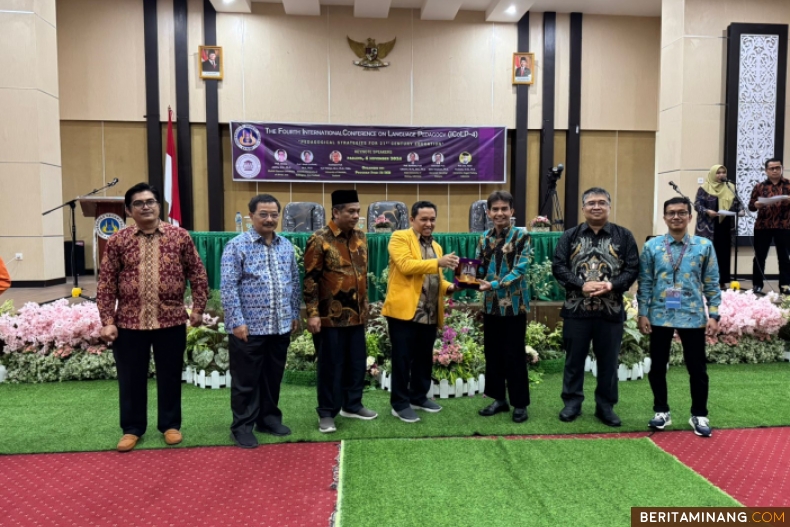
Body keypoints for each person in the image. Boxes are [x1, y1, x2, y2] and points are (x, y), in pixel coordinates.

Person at [97, 182, 208, 452]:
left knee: (170, 375)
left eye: (151, 202)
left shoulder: (179, 236)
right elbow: (106, 282)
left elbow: (197, 272)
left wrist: (198, 308)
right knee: (131, 377)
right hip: (129, 322)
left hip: (170, 320)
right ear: (128, 210)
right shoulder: (118, 240)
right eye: (138, 203)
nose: (146, 206)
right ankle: (132, 429)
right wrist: (107, 321)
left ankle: (170, 425)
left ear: (160, 206)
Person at [551, 187, 639, 427]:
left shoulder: (624, 236)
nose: (596, 207)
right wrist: (581, 285)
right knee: (574, 359)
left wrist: (611, 285)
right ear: (583, 208)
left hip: (609, 310)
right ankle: (572, 403)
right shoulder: (570, 235)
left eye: (601, 202)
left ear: (609, 206)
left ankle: (605, 406)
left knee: (608, 361)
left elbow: (632, 269)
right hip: (576, 309)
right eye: (591, 203)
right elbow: (558, 266)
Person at [220, 194, 301, 449]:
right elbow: (228, 286)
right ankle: (242, 426)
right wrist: (236, 321)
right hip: (249, 327)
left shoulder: (286, 245)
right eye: (263, 214)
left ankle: (268, 419)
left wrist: (294, 314)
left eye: (274, 214)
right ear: (251, 216)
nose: (269, 219)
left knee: (272, 377)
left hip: (280, 325)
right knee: (246, 380)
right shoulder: (237, 245)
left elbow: (294, 281)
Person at [638, 197, 721, 438]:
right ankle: (661, 410)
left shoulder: (703, 246)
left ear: (689, 216)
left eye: (681, 212)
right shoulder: (652, 247)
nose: (676, 217)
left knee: (697, 368)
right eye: (671, 213)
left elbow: (712, 283)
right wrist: (643, 312)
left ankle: (699, 414)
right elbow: (645, 282)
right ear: (664, 217)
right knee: (657, 366)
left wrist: (714, 314)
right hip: (660, 316)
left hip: (692, 315)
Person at [304, 190, 377, 433]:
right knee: (330, 366)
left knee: (356, 363)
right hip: (329, 317)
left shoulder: (360, 237)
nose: (357, 216)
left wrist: (366, 308)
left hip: (356, 315)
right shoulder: (319, 239)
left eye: (358, 211)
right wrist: (312, 313)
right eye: (351, 211)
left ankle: (352, 405)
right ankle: (327, 412)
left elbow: (362, 275)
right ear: (336, 212)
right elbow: (311, 280)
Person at [382, 201, 459, 423]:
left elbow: (437, 279)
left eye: (432, 219)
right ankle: (399, 404)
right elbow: (406, 266)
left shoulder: (436, 247)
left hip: (429, 312)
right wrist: (438, 262)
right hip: (404, 312)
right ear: (412, 219)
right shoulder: (400, 237)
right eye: (424, 219)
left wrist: (452, 288)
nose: (429, 223)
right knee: (402, 359)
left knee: (424, 358)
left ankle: (418, 397)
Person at [475, 191, 531, 423]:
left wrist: (494, 284)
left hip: (514, 306)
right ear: (488, 212)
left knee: (514, 354)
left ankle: (520, 404)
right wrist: (466, 277)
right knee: (493, 353)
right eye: (495, 209)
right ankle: (499, 399)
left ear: (512, 211)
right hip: (490, 306)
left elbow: (521, 269)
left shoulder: (521, 236)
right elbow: (478, 268)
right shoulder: (484, 238)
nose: (499, 213)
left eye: (504, 209)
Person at [694, 164, 743, 288]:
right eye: (718, 172)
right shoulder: (704, 188)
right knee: (708, 254)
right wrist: (707, 211)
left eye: (723, 172)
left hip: (725, 226)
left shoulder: (731, 187)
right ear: (712, 174)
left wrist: (741, 210)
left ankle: (722, 281)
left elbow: (737, 203)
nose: (721, 175)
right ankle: (706, 282)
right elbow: (697, 205)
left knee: (724, 253)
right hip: (708, 226)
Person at [748, 158, 790, 294]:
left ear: (781, 168)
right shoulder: (759, 187)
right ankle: (757, 285)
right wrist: (756, 205)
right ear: (766, 170)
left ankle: (785, 285)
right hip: (763, 226)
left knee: (784, 257)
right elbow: (751, 206)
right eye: (771, 168)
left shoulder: (789, 185)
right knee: (759, 257)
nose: (775, 170)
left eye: (777, 167)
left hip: (784, 226)